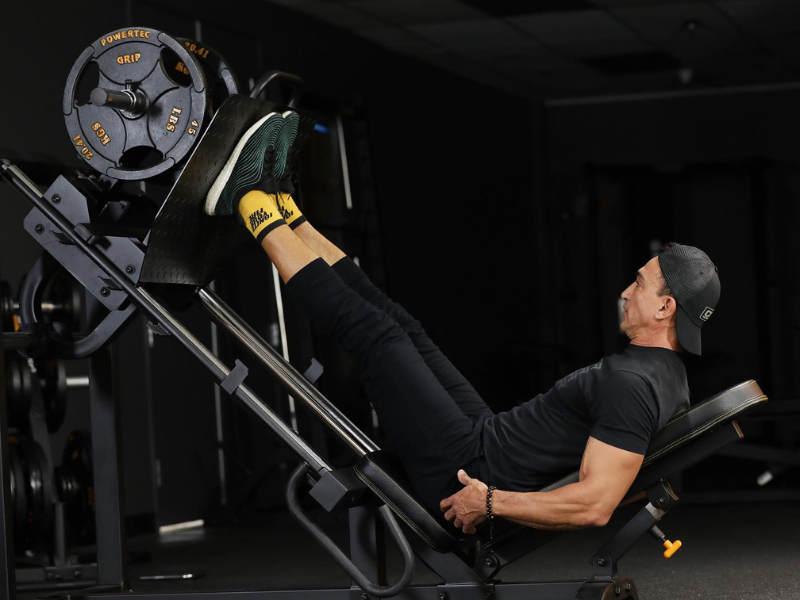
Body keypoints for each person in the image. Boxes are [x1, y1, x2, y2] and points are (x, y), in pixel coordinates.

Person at [204, 113, 721, 534]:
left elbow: (595, 504)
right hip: (485, 438)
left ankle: (247, 200)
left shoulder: (634, 386)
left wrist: (490, 501)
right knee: (399, 323)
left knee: (373, 333)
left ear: (665, 308)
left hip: (466, 469)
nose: (625, 292)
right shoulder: (667, 374)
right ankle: (286, 208)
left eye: (639, 283)